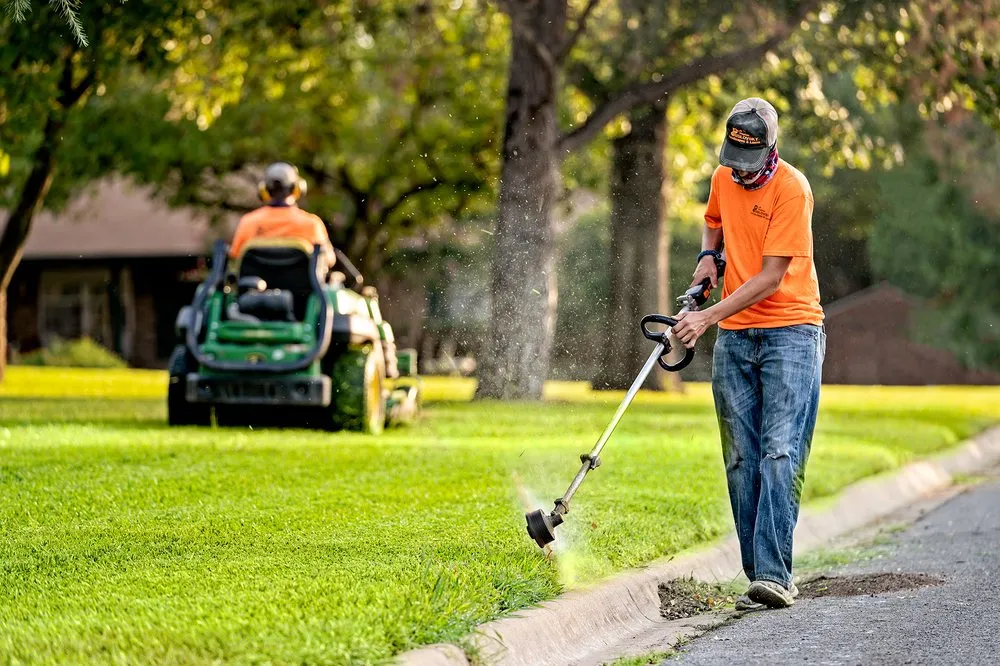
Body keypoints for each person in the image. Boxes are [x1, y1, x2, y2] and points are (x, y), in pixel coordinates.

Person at [672, 97, 826, 610]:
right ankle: (758, 573)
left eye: (748, 163)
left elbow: (769, 277)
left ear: (770, 148)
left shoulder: (792, 189)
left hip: (791, 331)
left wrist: (704, 318)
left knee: (779, 451)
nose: (738, 173)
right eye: (731, 162)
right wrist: (707, 259)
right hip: (736, 336)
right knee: (740, 457)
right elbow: (713, 220)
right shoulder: (722, 177)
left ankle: (775, 575)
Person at [230, 161, 335, 265]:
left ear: (264, 189)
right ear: (297, 189)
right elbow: (329, 260)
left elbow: (235, 255)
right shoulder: (312, 224)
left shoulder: (248, 222)